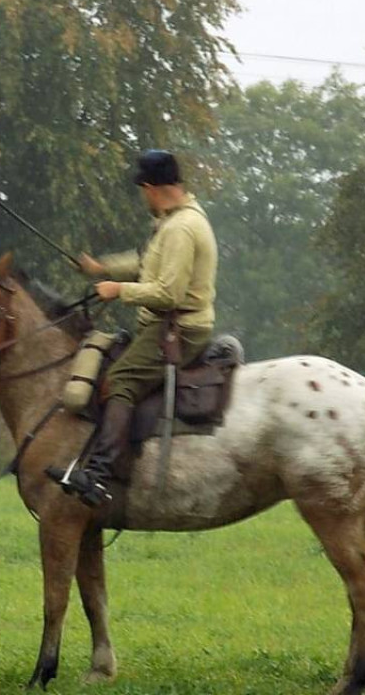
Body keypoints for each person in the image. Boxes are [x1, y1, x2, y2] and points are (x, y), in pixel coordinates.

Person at [49, 150, 218, 506]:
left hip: (179, 330)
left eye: (142, 190)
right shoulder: (175, 220)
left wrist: (119, 290)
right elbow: (147, 263)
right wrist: (101, 268)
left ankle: (99, 474)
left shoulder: (180, 229)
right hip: (167, 325)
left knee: (120, 380)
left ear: (151, 188)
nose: (143, 197)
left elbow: (169, 294)